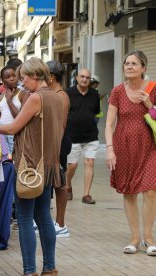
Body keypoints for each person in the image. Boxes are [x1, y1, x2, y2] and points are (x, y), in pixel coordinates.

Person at [0, 57, 63, 275]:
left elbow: (12, 128)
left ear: (35, 76)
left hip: (29, 165)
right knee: (44, 217)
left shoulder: (36, 98)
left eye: (24, 77)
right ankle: (49, 268)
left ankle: (29, 270)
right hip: (48, 165)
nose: (21, 82)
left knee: (26, 218)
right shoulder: (56, 97)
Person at [105, 50, 156, 256]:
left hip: (149, 146)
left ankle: (149, 238)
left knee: (151, 191)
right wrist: (109, 150)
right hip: (123, 147)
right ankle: (134, 239)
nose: (129, 66)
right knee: (129, 192)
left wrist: (149, 105)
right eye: (127, 63)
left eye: (134, 63)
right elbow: (109, 124)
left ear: (143, 68)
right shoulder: (117, 91)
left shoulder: (153, 89)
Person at [65, 68, 100, 204]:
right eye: (82, 76)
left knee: (89, 162)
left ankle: (86, 195)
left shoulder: (94, 94)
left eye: (87, 77)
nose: (85, 79)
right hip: (72, 136)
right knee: (72, 165)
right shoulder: (68, 93)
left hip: (91, 135)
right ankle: (68, 185)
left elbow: (96, 111)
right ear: (77, 78)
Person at [46, 61, 71, 238]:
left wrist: (55, 148)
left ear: (51, 77)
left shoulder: (61, 96)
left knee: (60, 183)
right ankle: (52, 222)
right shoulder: (53, 94)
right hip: (54, 143)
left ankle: (61, 224)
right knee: (53, 181)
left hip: (59, 143)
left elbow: (61, 125)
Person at [0, 65, 24, 154]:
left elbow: (20, 118)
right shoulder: (0, 97)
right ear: (3, 81)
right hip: (2, 134)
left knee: (16, 160)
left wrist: (9, 101)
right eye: (7, 77)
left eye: (14, 75)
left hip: (16, 134)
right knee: (5, 161)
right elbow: (0, 116)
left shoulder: (23, 94)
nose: (12, 79)